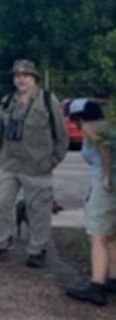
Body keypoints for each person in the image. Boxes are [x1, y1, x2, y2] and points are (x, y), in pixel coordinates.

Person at [0, 60, 67, 268]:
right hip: (8, 162)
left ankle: (37, 249)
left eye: (26, 75)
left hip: (38, 164)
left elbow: (62, 135)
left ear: (34, 78)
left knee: (38, 209)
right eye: (17, 75)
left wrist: (54, 160)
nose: (21, 79)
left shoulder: (48, 100)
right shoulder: (6, 101)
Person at [64, 100, 115, 306]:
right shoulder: (109, 126)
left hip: (104, 187)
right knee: (111, 234)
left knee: (97, 235)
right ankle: (112, 277)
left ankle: (97, 286)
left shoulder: (93, 128)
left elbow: (105, 147)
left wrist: (106, 176)